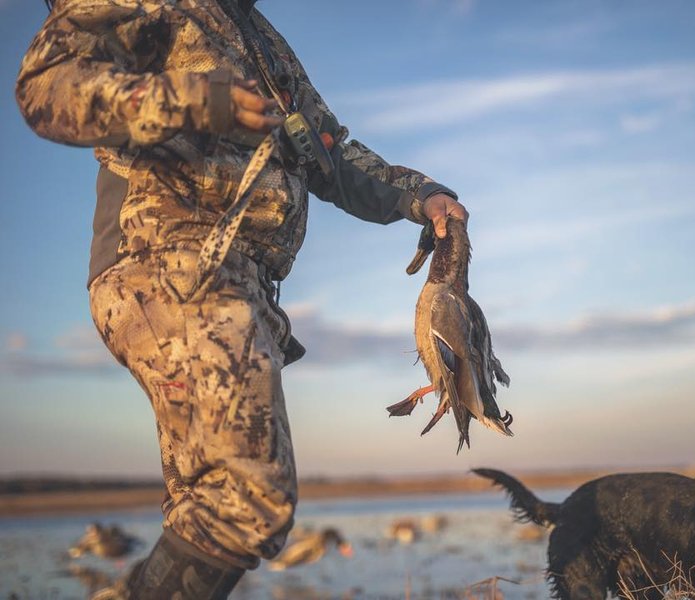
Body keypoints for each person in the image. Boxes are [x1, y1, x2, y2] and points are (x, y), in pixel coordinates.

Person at [16, 0, 468, 597]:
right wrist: (195, 101)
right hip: (170, 262)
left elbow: (328, 154)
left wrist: (422, 196)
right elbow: (47, 86)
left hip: (240, 283)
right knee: (249, 497)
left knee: (203, 510)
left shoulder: (262, 39)